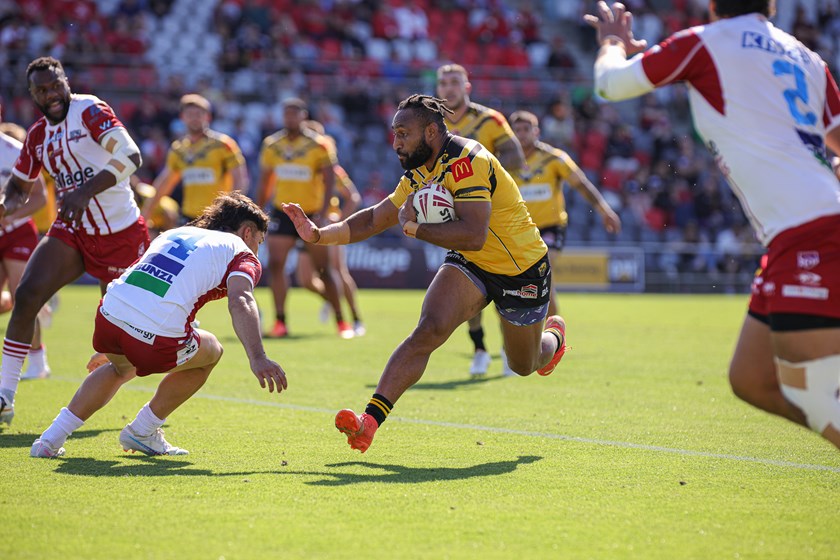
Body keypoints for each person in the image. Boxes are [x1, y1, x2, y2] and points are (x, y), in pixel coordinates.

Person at [586, 1, 840, 449]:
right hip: (803, 226)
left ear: (711, 5)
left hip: (810, 230)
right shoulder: (804, 55)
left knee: (817, 391)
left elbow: (609, 85)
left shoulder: (704, 43)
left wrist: (610, 44)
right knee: (752, 378)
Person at [282, 95, 568, 453]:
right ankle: (368, 422)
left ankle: (553, 338)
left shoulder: (468, 160)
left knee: (525, 365)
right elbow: (375, 218)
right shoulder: (418, 172)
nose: (396, 142)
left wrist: (416, 229)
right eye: (394, 133)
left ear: (431, 132)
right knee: (427, 330)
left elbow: (474, 234)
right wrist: (320, 235)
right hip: (473, 263)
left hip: (521, 269)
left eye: (403, 133)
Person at [31, 192, 285, 457]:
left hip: (109, 315)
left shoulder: (176, 233)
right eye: (259, 240)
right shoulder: (242, 253)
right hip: (153, 335)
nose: (258, 248)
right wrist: (258, 357)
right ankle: (143, 430)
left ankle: (49, 440)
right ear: (247, 232)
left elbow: (147, 286)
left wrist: (114, 343)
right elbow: (241, 298)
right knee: (212, 351)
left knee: (120, 369)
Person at [0, 57, 151, 426]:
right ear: (32, 94)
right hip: (74, 231)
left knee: (122, 336)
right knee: (28, 294)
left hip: (121, 232)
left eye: (55, 85)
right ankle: (4, 395)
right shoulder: (37, 136)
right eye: (42, 90)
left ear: (65, 82)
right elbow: (18, 187)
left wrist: (84, 191)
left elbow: (131, 155)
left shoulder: (89, 110)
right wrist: (3, 207)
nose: (51, 94)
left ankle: (149, 416)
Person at [505, 110, 621, 375]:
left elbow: (581, 184)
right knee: (530, 281)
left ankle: (550, 340)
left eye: (527, 129)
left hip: (550, 227)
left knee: (543, 270)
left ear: (537, 132)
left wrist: (604, 210)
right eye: (517, 130)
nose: (522, 134)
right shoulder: (504, 162)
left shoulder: (554, 158)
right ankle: (547, 336)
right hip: (518, 230)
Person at [436, 63, 527, 377]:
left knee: (506, 286)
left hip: (493, 215)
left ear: (466, 87)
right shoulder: (432, 124)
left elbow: (516, 157)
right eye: (443, 83)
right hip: (455, 218)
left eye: (454, 82)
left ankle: (508, 348)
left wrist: (479, 171)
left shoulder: (489, 120)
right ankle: (478, 348)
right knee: (464, 289)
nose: (448, 88)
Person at [257, 98, 352, 339]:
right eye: (286, 114)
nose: (290, 118)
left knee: (324, 270)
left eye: (294, 113)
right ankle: (280, 322)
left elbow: (330, 179)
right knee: (276, 265)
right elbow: (266, 180)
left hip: (310, 214)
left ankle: (342, 321)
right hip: (282, 212)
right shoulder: (272, 145)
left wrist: (321, 213)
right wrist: (257, 210)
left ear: (303, 115)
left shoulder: (319, 145)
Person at [297, 119, 366, 336]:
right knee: (305, 280)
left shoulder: (333, 170)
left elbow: (353, 197)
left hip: (326, 224)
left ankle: (355, 318)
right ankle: (331, 299)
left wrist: (339, 223)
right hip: (305, 224)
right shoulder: (298, 168)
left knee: (337, 271)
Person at [143, 94, 248, 224]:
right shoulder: (178, 149)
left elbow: (240, 180)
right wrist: (146, 214)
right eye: (190, 114)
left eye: (199, 114)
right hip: (189, 217)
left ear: (207, 117)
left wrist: (232, 211)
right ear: (182, 118)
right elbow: (165, 183)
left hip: (219, 216)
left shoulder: (223, 145)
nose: (194, 118)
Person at [0, 118, 50, 380]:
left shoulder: (15, 150)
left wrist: (10, 215)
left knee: (24, 296)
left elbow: (40, 196)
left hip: (17, 231)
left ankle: (38, 361)